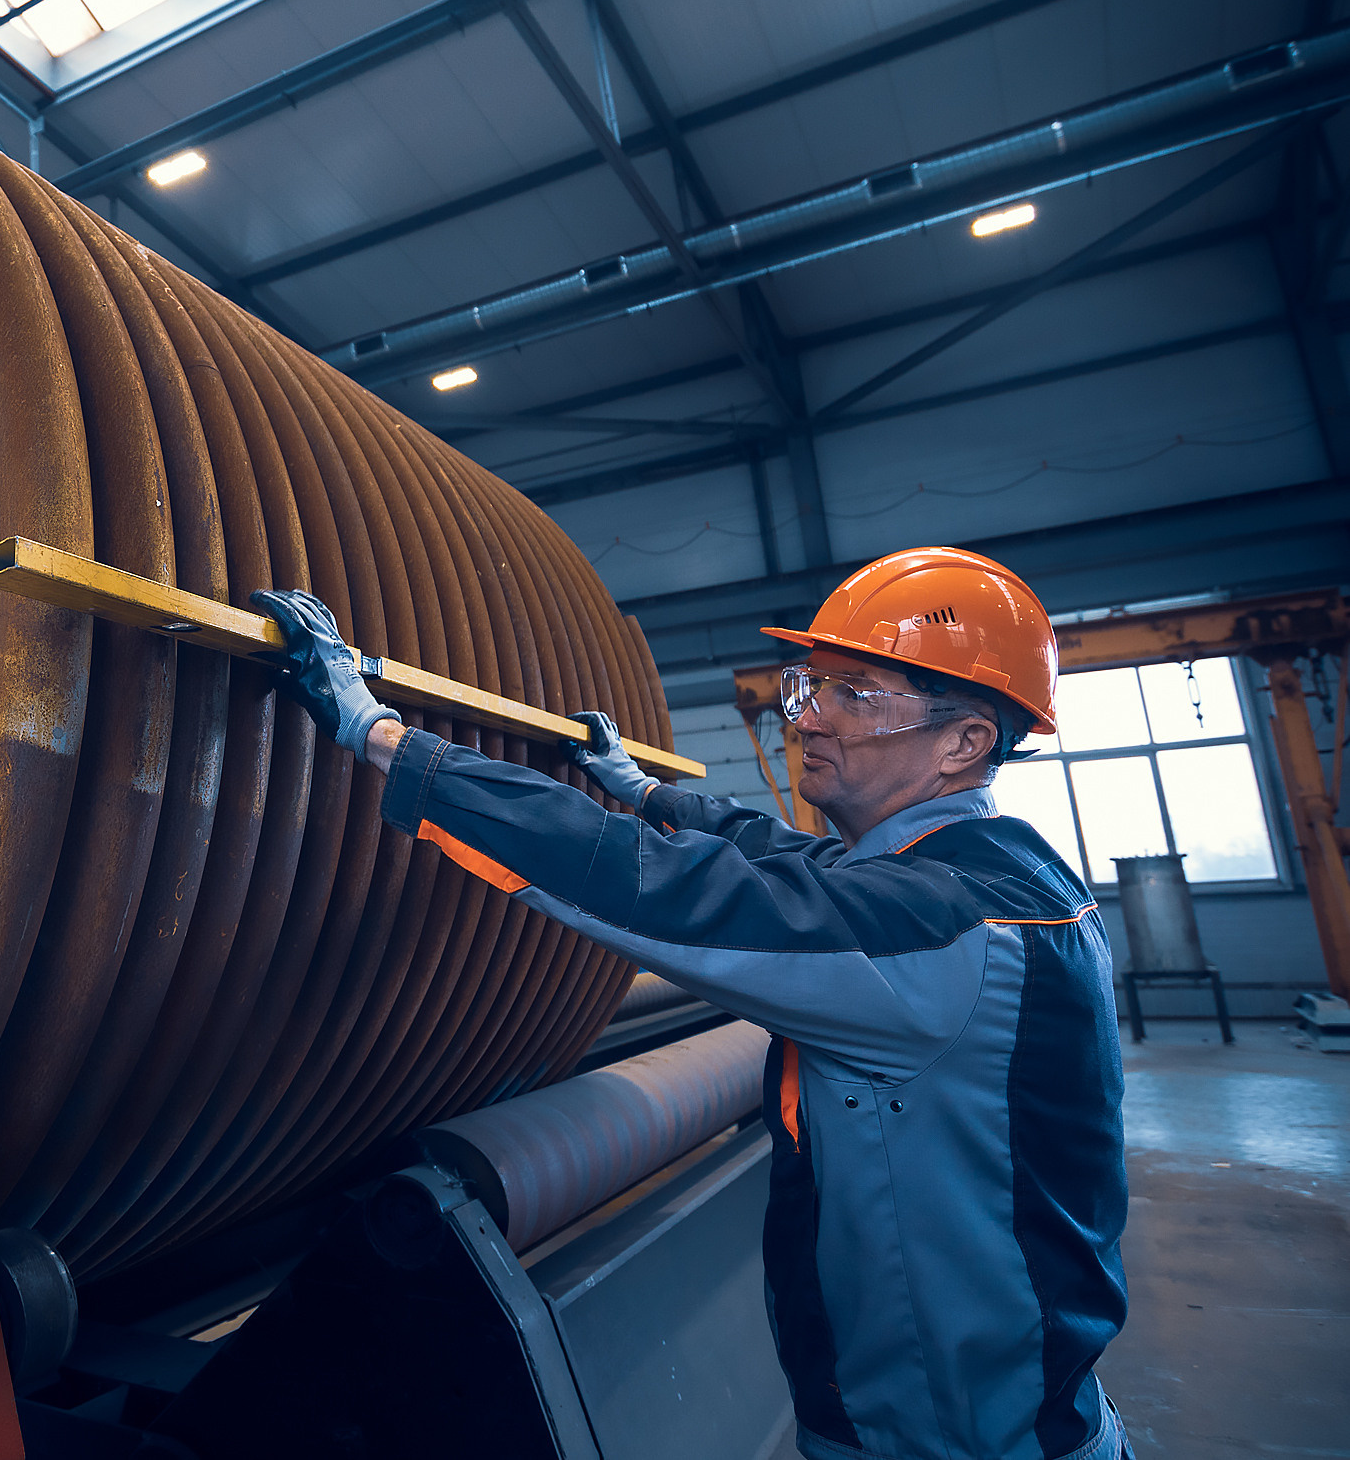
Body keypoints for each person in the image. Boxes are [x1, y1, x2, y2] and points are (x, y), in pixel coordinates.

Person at [253, 546, 1128, 1460]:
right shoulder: (986, 872)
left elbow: (656, 889)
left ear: (965, 742)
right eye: (810, 685)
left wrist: (381, 735)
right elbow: (786, 856)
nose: (811, 720)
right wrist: (643, 789)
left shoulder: (944, 930)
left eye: (856, 694)